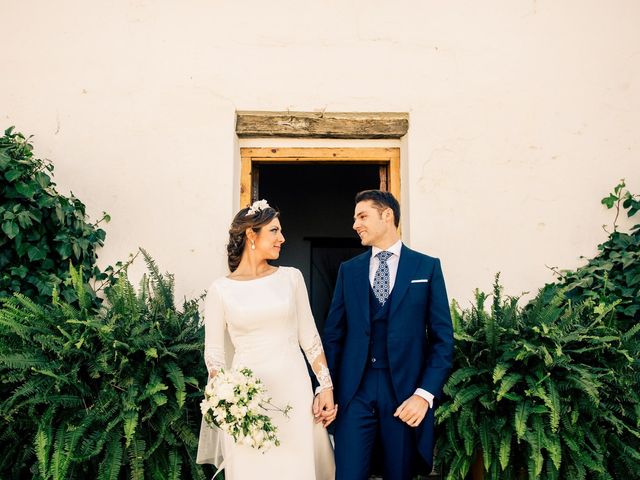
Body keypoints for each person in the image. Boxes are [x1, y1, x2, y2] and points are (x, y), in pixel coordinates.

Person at [196, 200, 336, 479]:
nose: (282, 238)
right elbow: (214, 354)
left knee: (295, 466)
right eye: (274, 231)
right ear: (251, 235)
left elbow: (309, 338)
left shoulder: (291, 278)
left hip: (294, 389)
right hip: (247, 399)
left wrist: (326, 386)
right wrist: (228, 396)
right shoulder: (220, 290)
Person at [322, 190, 454, 480]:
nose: (355, 224)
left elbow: (443, 341)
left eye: (362, 216)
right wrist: (326, 388)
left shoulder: (427, 267)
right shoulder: (349, 270)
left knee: (399, 474)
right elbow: (333, 336)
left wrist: (424, 395)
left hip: (404, 394)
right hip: (355, 391)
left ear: (387, 215)